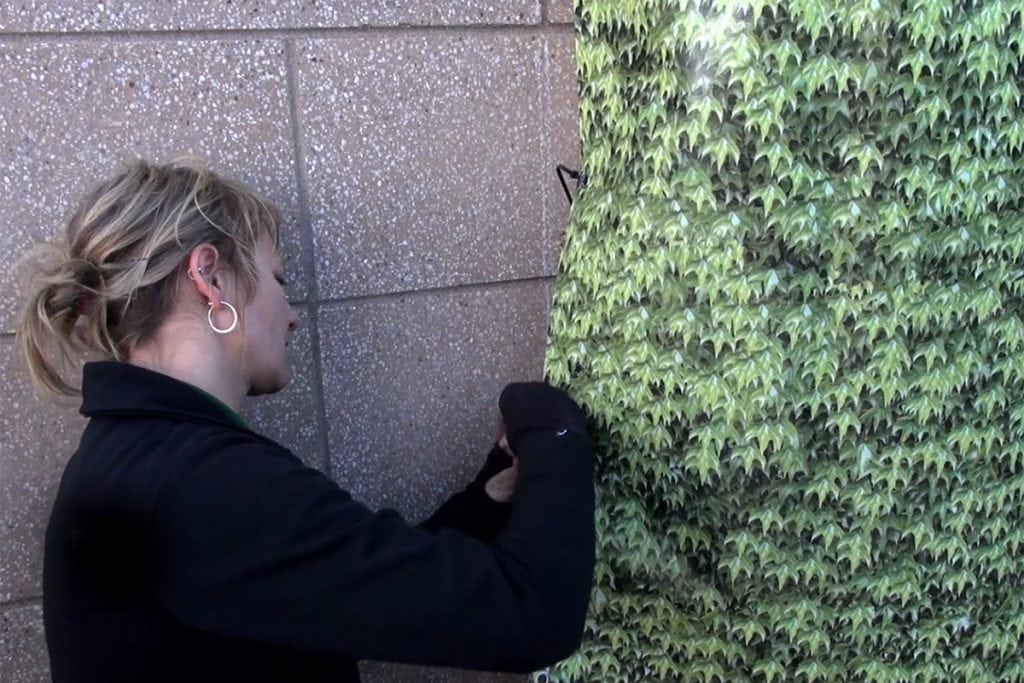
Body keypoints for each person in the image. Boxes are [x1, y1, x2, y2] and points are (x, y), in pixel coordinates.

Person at [14, 158, 595, 682]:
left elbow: (348, 587)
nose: (291, 315)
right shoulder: (204, 484)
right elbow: (533, 615)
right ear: (209, 277)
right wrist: (553, 427)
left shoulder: (137, 457)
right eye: (278, 278)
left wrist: (491, 495)